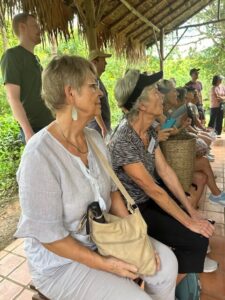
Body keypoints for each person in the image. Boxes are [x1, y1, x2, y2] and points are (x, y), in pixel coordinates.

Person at [15, 55, 178, 300]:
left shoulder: (94, 139)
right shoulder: (39, 156)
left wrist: (136, 240)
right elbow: (49, 237)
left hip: (105, 240)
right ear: (70, 93)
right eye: (93, 86)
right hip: (61, 265)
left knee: (167, 265)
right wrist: (107, 264)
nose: (101, 93)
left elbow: (113, 192)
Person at [109, 69, 215, 282]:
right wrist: (188, 221)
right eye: (153, 91)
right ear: (141, 105)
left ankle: (181, 269)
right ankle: (165, 289)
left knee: (196, 223)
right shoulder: (123, 140)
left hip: (151, 197)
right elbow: (153, 190)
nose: (160, 94)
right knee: (197, 239)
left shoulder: (147, 130)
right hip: (137, 208)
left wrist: (190, 212)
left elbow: (165, 171)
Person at [0, 13, 54, 144]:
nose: (39, 29)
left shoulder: (35, 60)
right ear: (22, 27)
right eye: (35, 25)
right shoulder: (12, 56)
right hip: (35, 130)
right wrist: (28, 132)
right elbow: (13, 98)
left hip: (50, 125)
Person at [87, 49, 112, 138]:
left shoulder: (97, 80)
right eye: (103, 60)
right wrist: (103, 127)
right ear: (94, 62)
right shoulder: (92, 80)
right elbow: (93, 104)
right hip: (97, 129)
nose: (106, 63)